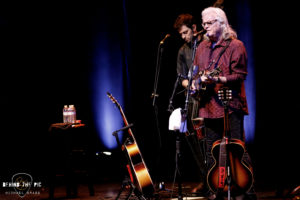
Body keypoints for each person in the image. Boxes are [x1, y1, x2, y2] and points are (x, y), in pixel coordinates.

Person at [191, 7, 257, 200]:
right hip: (208, 105)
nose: (204, 27)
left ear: (221, 23)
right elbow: (196, 73)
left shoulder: (236, 46)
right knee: (212, 150)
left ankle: (248, 191)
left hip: (230, 104)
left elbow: (240, 76)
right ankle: (216, 189)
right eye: (203, 23)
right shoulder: (202, 47)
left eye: (208, 23)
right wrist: (196, 84)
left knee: (236, 149)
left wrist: (218, 80)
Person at [173, 13, 207, 194]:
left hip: (210, 100)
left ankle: (219, 178)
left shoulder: (207, 44)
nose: (184, 37)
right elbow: (182, 78)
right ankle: (205, 178)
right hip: (193, 99)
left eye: (186, 32)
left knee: (210, 140)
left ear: (194, 28)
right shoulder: (183, 50)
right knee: (193, 138)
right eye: (181, 34)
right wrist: (190, 85)